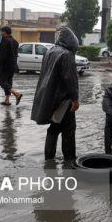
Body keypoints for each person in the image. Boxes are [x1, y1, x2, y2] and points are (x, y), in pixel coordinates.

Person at [31, 27, 80, 161]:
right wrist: (75, 99)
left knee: (54, 128)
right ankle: (69, 160)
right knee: (69, 130)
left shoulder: (50, 51)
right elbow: (70, 79)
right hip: (64, 100)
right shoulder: (67, 55)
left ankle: (49, 158)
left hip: (50, 98)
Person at [0, 26, 22, 106]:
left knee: (1, 81)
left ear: (5, 32)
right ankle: (7, 100)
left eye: (1, 31)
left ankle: (17, 94)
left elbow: (3, 55)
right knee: (8, 81)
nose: (0, 33)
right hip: (13, 65)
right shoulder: (15, 42)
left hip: (5, 65)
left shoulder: (5, 41)